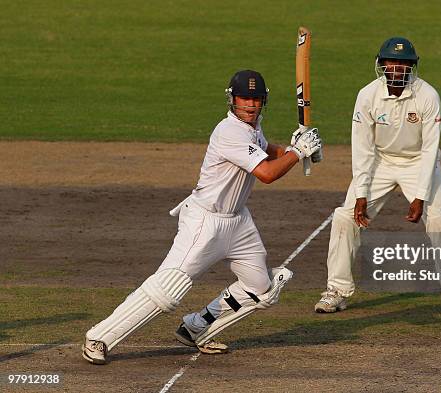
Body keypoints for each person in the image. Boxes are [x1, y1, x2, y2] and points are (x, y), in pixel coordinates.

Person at [82, 70, 322, 364]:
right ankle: (99, 337)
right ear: (231, 99)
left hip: (238, 222)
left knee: (262, 289)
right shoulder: (229, 131)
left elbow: (264, 148)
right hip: (205, 222)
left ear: (263, 101)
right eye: (244, 99)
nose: (249, 104)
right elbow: (268, 173)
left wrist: (290, 148)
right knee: (168, 287)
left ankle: (196, 326)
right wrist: (297, 153)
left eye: (255, 99)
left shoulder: (252, 127)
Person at [314, 37, 441, 317]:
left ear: (413, 66)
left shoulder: (427, 96)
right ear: (382, 64)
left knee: (440, 220)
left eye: (404, 63)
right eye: (392, 62)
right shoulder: (367, 95)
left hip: (420, 162)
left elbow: (430, 149)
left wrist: (420, 195)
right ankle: (337, 291)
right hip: (381, 161)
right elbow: (361, 147)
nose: (397, 68)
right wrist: (361, 193)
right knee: (344, 217)